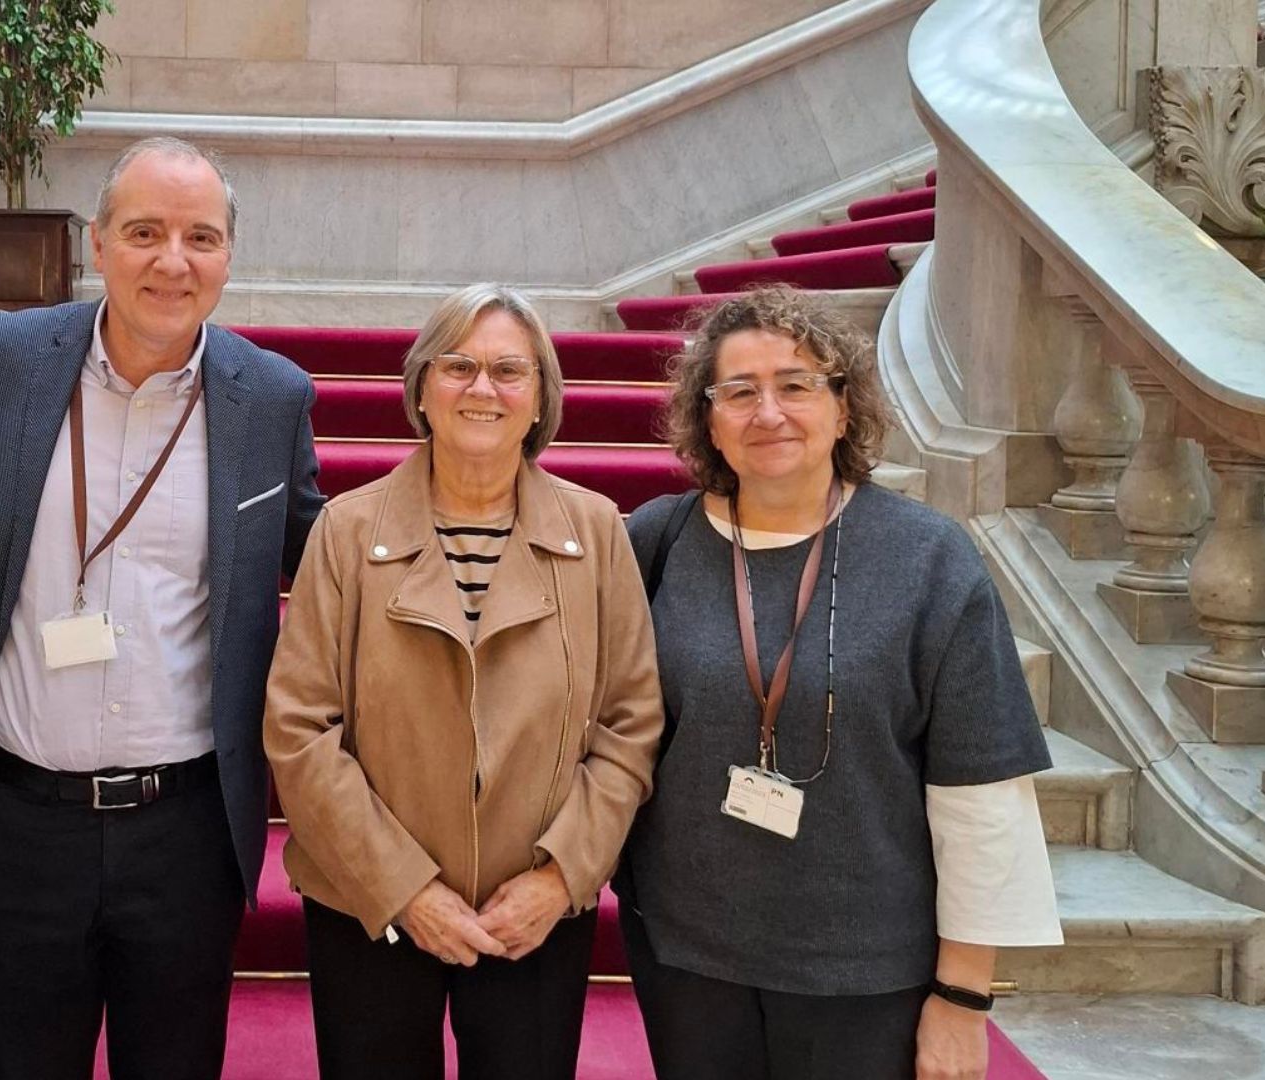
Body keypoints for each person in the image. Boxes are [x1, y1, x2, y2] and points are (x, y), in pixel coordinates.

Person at [0, 136, 324, 1080]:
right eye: (144, 231)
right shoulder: (5, 358)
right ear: (97, 244)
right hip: (21, 823)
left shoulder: (271, 396)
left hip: (184, 834)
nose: (172, 261)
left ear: (230, 255)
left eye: (201, 236)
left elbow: (329, 566)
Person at [616, 286, 1061, 1080]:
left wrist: (963, 996)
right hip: (687, 951)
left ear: (843, 408)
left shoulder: (928, 559)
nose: (769, 411)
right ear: (707, 418)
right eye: (739, 391)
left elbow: (981, 784)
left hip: (865, 968)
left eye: (796, 384)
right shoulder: (657, 540)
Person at [263, 283, 665, 1080]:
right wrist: (406, 889)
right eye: (458, 366)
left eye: (510, 371)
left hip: (535, 913)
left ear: (542, 397)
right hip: (367, 901)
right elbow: (299, 728)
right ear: (420, 388)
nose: (483, 389)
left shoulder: (596, 531)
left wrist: (558, 879)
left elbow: (631, 723)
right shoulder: (346, 530)